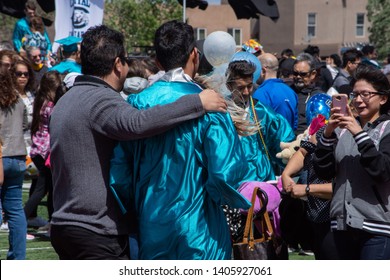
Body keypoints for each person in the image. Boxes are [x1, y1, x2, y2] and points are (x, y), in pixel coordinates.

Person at [49, 24, 228, 260]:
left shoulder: (67, 100)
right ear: (117, 64)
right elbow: (137, 123)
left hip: (65, 224)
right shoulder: (101, 100)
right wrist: (197, 102)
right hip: (96, 228)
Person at [110, 20, 249, 260]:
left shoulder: (136, 103)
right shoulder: (211, 104)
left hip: (151, 220)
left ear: (157, 61)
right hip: (199, 225)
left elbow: (119, 172)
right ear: (195, 54)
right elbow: (225, 172)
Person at [313, 64, 390, 259]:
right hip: (341, 224)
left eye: (366, 94)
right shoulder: (342, 130)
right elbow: (323, 172)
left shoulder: (387, 129)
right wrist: (329, 132)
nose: (358, 100)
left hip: (377, 228)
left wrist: (358, 132)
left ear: (383, 98)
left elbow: (382, 171)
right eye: (355, 95)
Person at [281, 113, 336, 259]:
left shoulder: (351, 137)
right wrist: (286, 174)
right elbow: (303, 151)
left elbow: (343, 188)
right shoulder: (323, 131)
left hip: (337, 219)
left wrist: (307, 189)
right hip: (315, 214)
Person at [24, 71, 66, 235]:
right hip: (46, 151)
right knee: (42, 190)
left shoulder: (39, 101)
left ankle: (51, 222)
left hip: (38, 148)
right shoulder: (50, 106)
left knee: (49, 188)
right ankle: (21, 219)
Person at [0, 68, 28, 259]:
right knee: (16, 210)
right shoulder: (19, 100)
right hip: (18, 156)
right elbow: (25, 124)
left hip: (2, 154)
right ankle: (18, 258)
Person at [253, 52, 298, 131]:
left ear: (263, 70)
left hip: (270, 142)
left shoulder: (261, 93)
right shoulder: (291, 92)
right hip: (289, 141)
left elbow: (257, 127)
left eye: (256, 70)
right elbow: (295, 124)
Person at [291, 52, 322, 135]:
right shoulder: (287, 92)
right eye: (295, 73)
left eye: (303, 74)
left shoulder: (318, 97)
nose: (298, 77)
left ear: (313, 74)